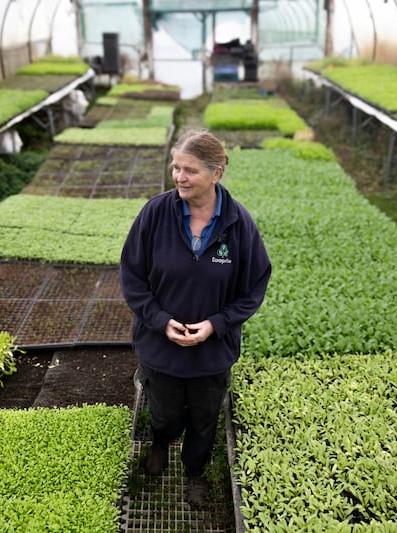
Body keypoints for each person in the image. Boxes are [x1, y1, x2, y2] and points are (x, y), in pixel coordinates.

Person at [119, 130, 271, 507]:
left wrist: (215, 325)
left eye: (190, 170)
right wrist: (160, 320)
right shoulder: (156, 213)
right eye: (176, 168)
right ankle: (160, 443)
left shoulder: (238, 224)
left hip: (211, 353)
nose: (180, 177)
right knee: (165, 411)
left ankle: (195, 472)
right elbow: (132, 275)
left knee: (204, 420)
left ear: (216, 173)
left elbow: (254, 286)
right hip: (161, 346)